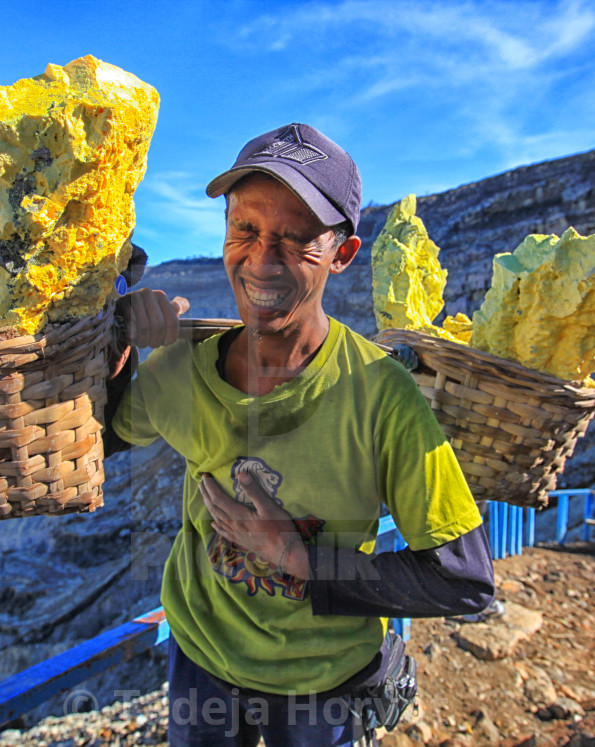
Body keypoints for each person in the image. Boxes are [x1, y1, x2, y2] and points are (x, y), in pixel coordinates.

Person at [106, 123, 495, 747]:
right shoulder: (177, 372)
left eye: (295, 239)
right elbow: (82, 448)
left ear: (342, 254)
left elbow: (463, 579)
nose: (262, 260)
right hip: (201, 662)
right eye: (246, 231)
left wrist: (299, 560)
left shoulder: (380, 395)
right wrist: (114, 340)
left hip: (324, 683)